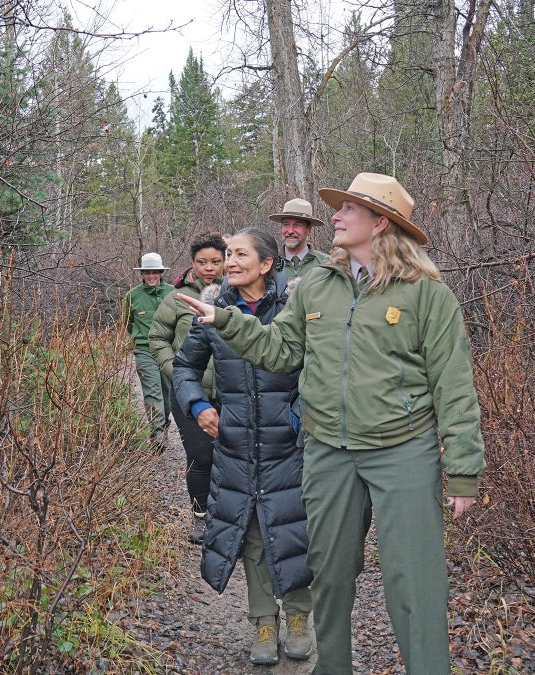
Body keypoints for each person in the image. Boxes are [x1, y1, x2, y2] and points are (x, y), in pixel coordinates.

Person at [178, 173, 486, 675]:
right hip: (327, 453)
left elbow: (453, 385)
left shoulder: (425, 294)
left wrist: (464, 470)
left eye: (348, 210)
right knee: (329, 575)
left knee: (415, 581)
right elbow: (279, 351)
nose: (336, 218)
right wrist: (226, 321)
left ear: (380, 222)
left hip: (401, 451)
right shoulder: (317, 285)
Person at [173, 227, 315, 666]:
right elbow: (184, 367)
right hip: (235, 443)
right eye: (227, 254)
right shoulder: (215, 311)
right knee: (251, 532)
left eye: (239, 254)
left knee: (293, 529)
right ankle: (263, 622)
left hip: (287, 444)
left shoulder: (293, 307)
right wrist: (198, 405)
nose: (229, 262)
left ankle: (297, 617)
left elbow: (319, 366)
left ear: (267, 264)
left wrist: (298, 414)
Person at [148, 232, 227, 544]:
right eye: (202, 262)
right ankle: (201, 517)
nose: (209, 268)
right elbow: (158, 339)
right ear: (192, 263)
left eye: (216, 261)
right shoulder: (176, 298)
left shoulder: (234, 294)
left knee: (231, 455)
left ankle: (229, 516)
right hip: (188, 395)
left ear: (225, 262)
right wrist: (178, 373)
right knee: (200, 455)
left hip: (230, 393)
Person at [123, 252, 174, 442]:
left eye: (155, 272)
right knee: (152, 391)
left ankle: (164, 424)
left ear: (161, 272)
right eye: (147, 272)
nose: (151, 276)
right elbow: (127, 323)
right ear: (142, 274)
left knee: (167, 392)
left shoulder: (173, 292)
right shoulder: (132, 296)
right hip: (144, 350)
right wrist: (141, 338)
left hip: (168, 350)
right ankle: (157, 434)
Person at [270, 198, 328, 281]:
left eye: (297, 225)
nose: (290, 231)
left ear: (309, 230)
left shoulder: (326, 264)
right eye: (286, 224)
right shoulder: (268, 264)